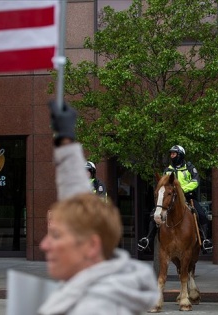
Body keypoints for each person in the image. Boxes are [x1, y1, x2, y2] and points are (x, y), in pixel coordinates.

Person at [38, 100, 158, 315]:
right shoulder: (97, 288)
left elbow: (87, 204)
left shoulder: (95, 308)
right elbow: (78, 196)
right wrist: (65, 139)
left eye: (56, 235)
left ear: (91, 246)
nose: (45, 244)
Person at [137, 145, 213, 254]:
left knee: (201, 215)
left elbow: (195, 182)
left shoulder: (190, 167)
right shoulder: (168, 170)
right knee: (154, 214)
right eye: (171, 153)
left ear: (180, 155)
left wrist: (181, 190)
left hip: (188, 197)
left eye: (174, 153)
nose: (172, 155)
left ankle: (205, 240)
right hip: (170, 198)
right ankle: (147, 239)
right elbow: (162, 184)